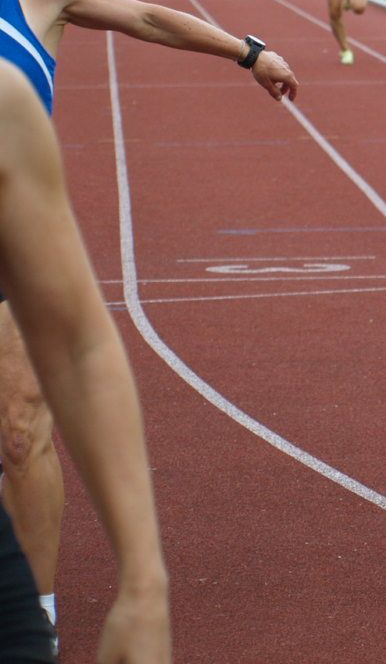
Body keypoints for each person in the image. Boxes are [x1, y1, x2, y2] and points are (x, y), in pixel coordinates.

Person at [0, 0, 296, 649]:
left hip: (13, 243)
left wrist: (248, 52)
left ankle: (33, 620)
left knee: (18, 429)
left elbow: (147, 17)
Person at [0, 61, 172, 663]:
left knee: (20, 432)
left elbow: (79, 347)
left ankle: (42, 606)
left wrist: (144, 587)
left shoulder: (5, 104)